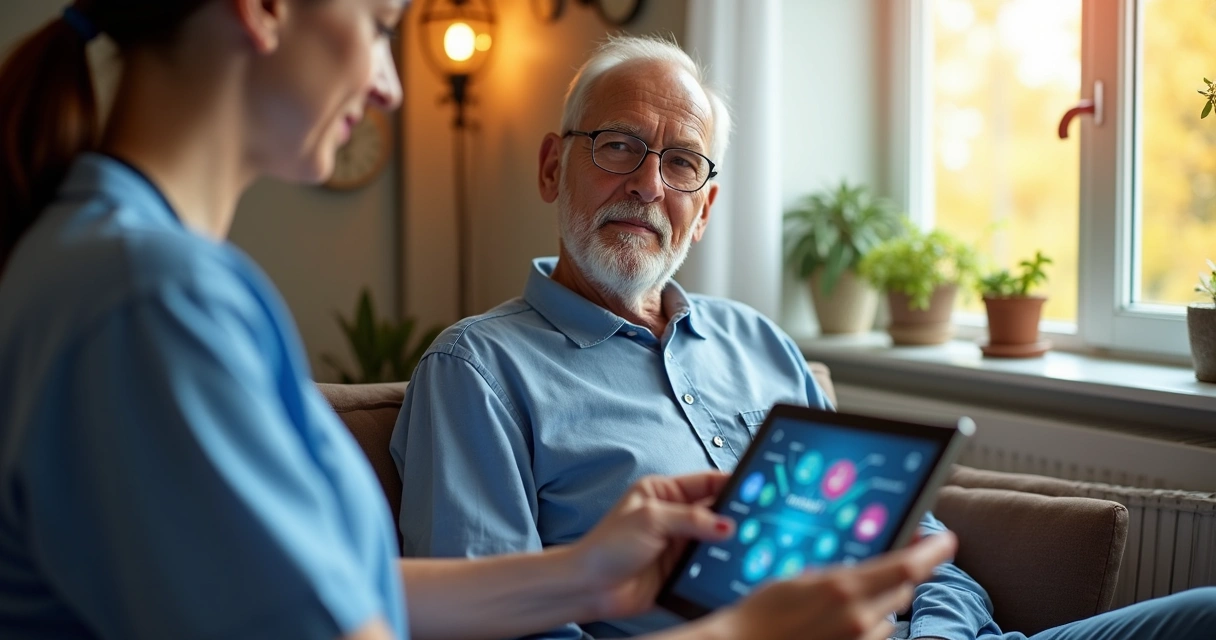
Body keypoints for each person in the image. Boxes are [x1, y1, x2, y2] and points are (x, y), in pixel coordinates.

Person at [0, 2, 965, 640]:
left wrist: (584, 573)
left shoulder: (145, 267)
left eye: (680, 164)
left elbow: (347, 591)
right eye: (381, 24)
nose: (387, 82)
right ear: (262, 9)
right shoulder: (149, 296)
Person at [390, 34, 1216, 640]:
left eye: (682, 163)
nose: (647, 183)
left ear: (705, 210)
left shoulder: (761, 345)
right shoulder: (478, 372)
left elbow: (917, 543)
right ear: (550, 168)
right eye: (618, 146)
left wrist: (938, 634)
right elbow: (490, 626)